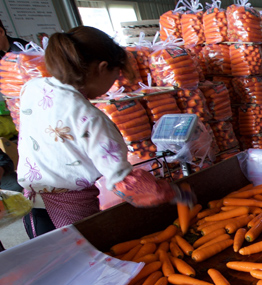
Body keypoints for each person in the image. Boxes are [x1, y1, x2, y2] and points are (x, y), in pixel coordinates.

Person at [17, 26, 193, 238]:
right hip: (71, 209)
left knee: (52, 265)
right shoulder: (89, 118)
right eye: (116, 74)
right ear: (102, 68)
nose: (113, 84)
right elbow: (124, 183)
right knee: (84, 262)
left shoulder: (32, 87)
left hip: (29, 204)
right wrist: (172, 193)